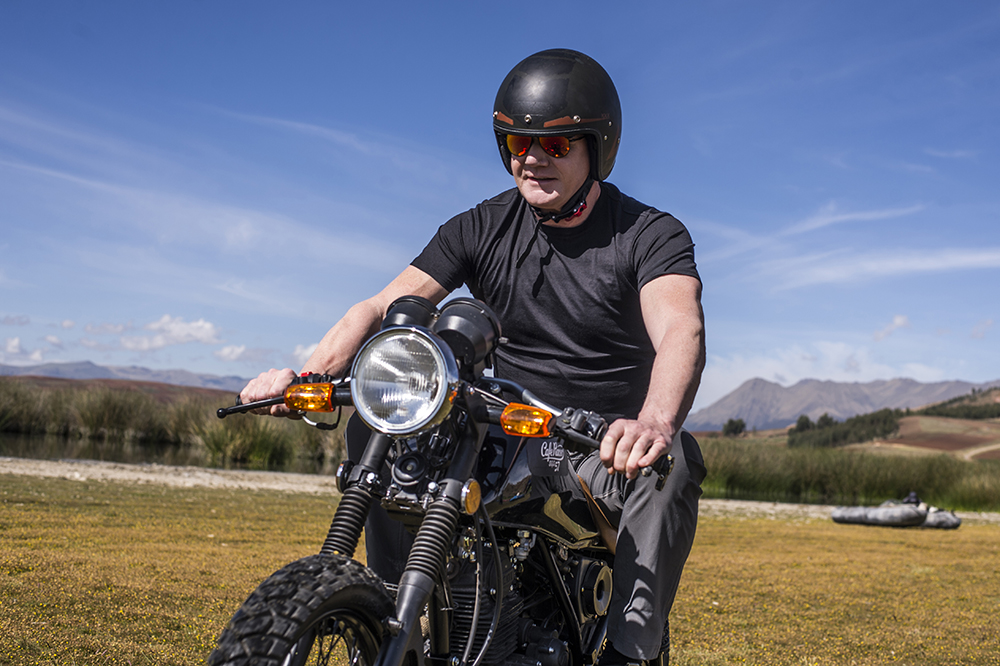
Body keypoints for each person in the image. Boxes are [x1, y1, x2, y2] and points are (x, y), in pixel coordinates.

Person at [241, 48, 706, 666]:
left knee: (672, 462)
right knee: (377, 425)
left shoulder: (648, 233)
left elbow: (680, 328)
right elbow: (379, 307)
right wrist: (308, 376)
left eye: (555, 144)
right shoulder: (481, 225)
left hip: (599, 446)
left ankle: (631, 651)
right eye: (517, 143)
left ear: (598, 147)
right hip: (504, 429)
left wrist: (652, 422)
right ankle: (387, 609)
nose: (532, 158)